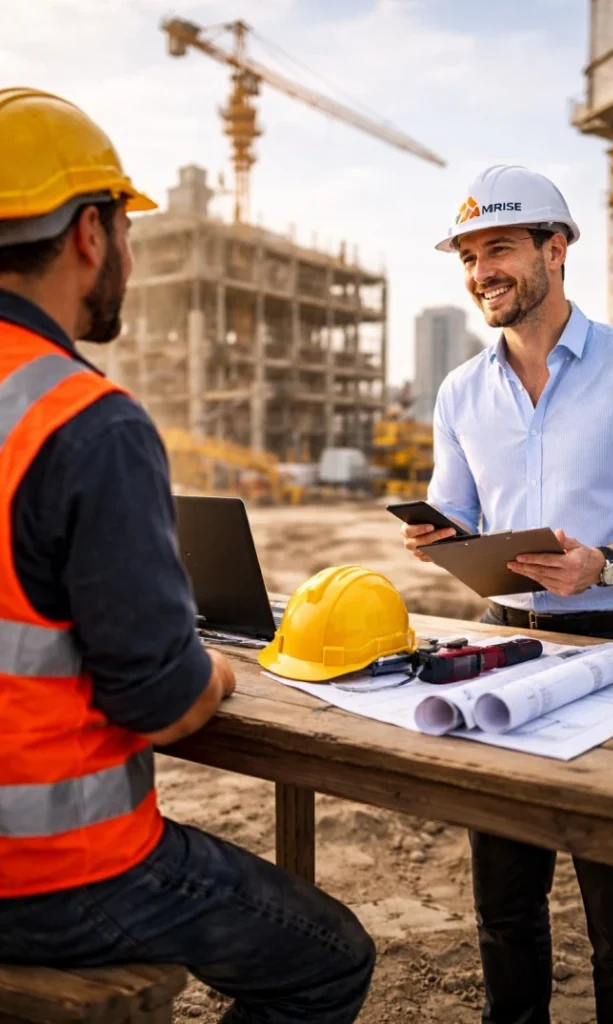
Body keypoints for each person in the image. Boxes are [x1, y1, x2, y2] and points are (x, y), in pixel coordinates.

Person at [0, 87, 375, 1024]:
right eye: (127, 226)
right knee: (329, 960)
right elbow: (164, 707)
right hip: (53, 874)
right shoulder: (85, 422)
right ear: (92, 231)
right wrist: (212, 667)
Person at [401, 163, 613, 1024]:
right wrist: (438, 534)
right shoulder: (459, 391)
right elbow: (461, 508)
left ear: (555, 251)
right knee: (504, 900)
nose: (481, 269)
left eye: (500, 249)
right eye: (468, 255)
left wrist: (601, 563)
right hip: (505, 644)